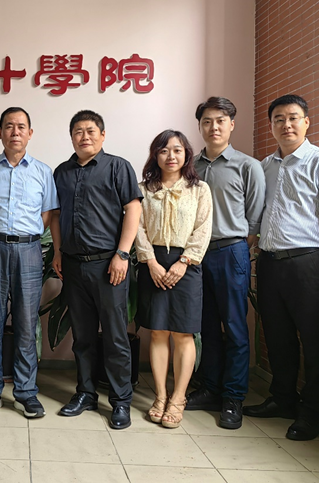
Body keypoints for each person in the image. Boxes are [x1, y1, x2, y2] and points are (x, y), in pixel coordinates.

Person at [243, 94, 319, 441]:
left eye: (293, 118)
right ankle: (283, 399)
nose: (286, 125)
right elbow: (257, 213)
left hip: (307, 263)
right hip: (270, 263)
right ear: (271, 125)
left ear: (306, 122)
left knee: (315, 339)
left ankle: (313, 412)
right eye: (278, 119)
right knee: (277, 336)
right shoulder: (265, 166)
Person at [50, 110, 142, 430]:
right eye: (78, 131)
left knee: (115, 336)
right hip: (73, 265)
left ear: (103, 135)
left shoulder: (118, 167)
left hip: (109, 265)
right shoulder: (61, 172)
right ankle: (86, 393)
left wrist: (122, 254)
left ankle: (120, 401)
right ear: (71, 137)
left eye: (91, 130)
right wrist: (58, 252)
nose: (84, 136)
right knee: (83, 336)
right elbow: (56, 215)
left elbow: (133, 208)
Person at [0, 107, 58, 418]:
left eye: (21, 126)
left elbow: (47, 216)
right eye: (9, 126)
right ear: (0, 133)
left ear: (30, 133)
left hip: (29, 251)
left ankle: (26, 392)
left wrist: (24, 238)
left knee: (26, 324)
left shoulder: (43, 172)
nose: (15, 132)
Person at [187, 97, 265, 430]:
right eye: (207, 121)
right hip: (195, 255)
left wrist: (237, 247)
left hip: (230, 251)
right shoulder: (190, 166)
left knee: (234, 326)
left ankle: (233, 397)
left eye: (220, 121)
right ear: (200, 126)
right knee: (205, 326)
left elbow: (254, 218)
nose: (213, 127)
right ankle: (210, 388)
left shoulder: (248, 166)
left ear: (231, 124)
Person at [135, 130, 212, 429]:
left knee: (183, 334)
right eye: (164, 150)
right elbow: (137, 227)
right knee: (157, 332)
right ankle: (160, 396)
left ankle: (178, 398)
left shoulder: (199, 189)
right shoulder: (143, 189)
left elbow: (203, 228)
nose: (171, 156)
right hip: (152, 262)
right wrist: (150, 262)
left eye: (177, 150)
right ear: (155, 155)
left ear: (186, 154)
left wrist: (184, 262)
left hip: (187, 265)